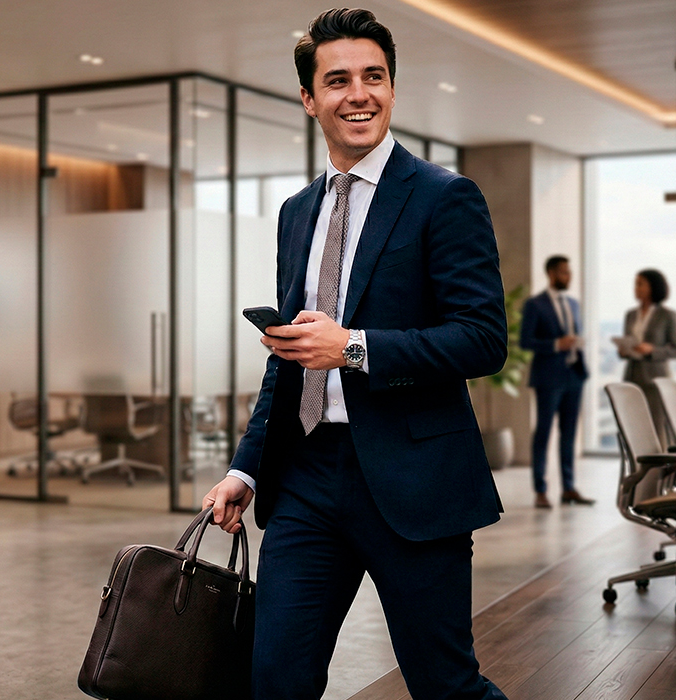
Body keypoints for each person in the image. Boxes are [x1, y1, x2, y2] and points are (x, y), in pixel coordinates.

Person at [201, 9, 509, 700]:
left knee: (445, 686)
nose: (359, 93)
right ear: (310, 99)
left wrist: (354, 346)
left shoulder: (443, 197)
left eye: (374, 76)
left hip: (412, 481)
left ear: (393, 90)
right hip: (306, 478)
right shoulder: (296, 212)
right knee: (275, 680)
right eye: (337, 80)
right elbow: (289, 362)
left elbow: (484, 337)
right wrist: (246, 470)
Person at [519, 256, 593, 509]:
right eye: (563, 272)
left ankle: (569, 488)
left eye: (569, 272)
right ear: (551, 273)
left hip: (574, 375)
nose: (568, 276)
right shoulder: (535, 305)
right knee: (543, 433)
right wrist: (555, 344)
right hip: (548, 377)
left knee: (569, 434)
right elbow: (525, 341)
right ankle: (540, 490)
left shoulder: (573, 304)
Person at [618, 268, 676, 438]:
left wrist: (652, 350)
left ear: (653, 287)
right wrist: (624, 349)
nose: (636, 288)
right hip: (632, 377)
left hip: (655, 381)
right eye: (635, 284)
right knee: (631, 431)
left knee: (655, 430)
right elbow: (627, 341)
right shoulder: (630, 315)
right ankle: (634, 465)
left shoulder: (668, 315)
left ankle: (657, 465)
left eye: (640, 284)